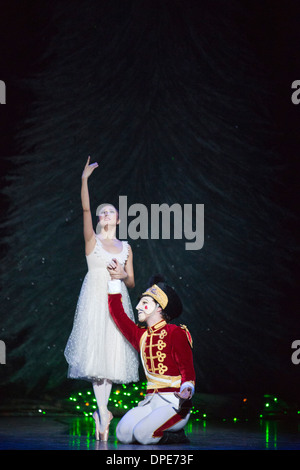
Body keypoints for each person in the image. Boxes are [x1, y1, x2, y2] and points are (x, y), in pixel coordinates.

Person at [64, 157, 139, 441]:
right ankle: (103, 412)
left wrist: (122, 274)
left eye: (111, 212)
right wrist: (84, 180)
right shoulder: (92, 241)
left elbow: (131, 280)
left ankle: (103, 413)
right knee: (96, 360)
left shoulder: (126, 247)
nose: (106, 214)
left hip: (118, 298)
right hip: (95, 299)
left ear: (119, 219)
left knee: (111, 359)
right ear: (98, 218)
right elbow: (85, 207)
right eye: (102, 212)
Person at [107, 274, 196, 445]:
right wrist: (114, 282)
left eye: (144, 303)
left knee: (143, 435)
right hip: (150, 402)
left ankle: (177, 435)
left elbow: (187, 368)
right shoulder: (140, 335)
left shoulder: (175, 332)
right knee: (123, 435)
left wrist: (187, 388)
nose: (138, 306)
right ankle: (158, 429)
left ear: (159, 308)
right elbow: (118, 314)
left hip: (175, 403)